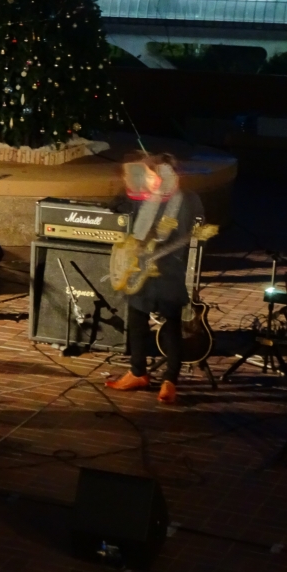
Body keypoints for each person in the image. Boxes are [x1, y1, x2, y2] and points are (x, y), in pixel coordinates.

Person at [106, 152, 203, 404]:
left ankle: (171, 379)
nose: (154, 180)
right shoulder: (142, 198)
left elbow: (190, 233)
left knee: (171, 326)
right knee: (136, 320)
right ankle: (138, 371)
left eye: (159, 175)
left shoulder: (186, 200)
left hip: (169, 271)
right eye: (150, 175)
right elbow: (119, 211)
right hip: (141, 271)